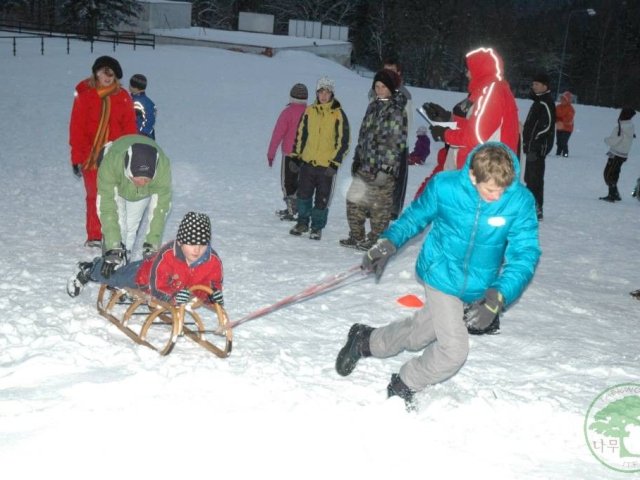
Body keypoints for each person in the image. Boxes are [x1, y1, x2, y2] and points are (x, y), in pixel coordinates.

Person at [335, 142, 541, 410]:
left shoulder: (519, 200)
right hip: (441, 272)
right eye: (490, 190)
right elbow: (415, 217)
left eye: (502, 189)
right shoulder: (446, 187)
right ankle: (405, 382)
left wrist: (498, 295)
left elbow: (525, 254)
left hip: (479, 284)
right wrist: (389, 242)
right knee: (454, 350)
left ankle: (365, 340)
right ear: (472, 176)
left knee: (418, 334)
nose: (497, 195)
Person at [67, 212, 224, 308]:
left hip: (173, 287)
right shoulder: (168, 256)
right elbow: (158, 287)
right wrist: (172, 296)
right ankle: (89, 269)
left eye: (202, 245)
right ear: (181, 242)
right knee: (115, 277)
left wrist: (211, 296)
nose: (197, 250)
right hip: (143, 276)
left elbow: (207, 285)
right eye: (191, 244)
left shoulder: (212, 262)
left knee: (119, 276)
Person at [70, 56, 137, 248]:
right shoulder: (85, 95)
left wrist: (129, 153)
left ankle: (114, 233)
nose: (107, 77)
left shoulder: (122, 96)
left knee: (114, 196)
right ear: (96, 73)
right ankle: (94, 235)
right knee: (94, 195)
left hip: (114, 155)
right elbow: (77, 128)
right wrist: (76, 157)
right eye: (103, 72)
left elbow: (129, 128)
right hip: (90, 156)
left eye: (111, 74)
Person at [340, 69, 407, 250]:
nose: (379, 90)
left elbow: (396, 143)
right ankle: (357, 236)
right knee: (354, 200)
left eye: (383, 87)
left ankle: (376, 239)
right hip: (365, 165)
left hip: (383, 169)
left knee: (379, 207)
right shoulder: (373, 107)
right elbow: (364, 135)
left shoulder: (396, 111)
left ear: (391, 88)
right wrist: (357, 158)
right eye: (376, 86)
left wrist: (386, 169)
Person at [424, 47, 519, 171]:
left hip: (487, 171)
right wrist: (448, 118)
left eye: (469, 69)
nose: (467, 74)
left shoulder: (493, 92)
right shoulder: (487, 91)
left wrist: (445, 134)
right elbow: (476, 125)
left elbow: (477, 137)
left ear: (480, 70)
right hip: (483, 168)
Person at [289, 76, 350, 240]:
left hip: (326, 167)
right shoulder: (309, 111)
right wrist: (296, 157)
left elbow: (343, 141)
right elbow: (301, 135)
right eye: (321, 91)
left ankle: (316, 227)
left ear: (332, 94)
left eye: (327, 92)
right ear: (317, 93)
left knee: (322, 198)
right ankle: (302, 222)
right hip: (308, 163)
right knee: (303, 195)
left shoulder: (338, 114)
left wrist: (335, 163)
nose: (324, 95)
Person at [97, 134, 172, 262]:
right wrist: (113, 247)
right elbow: (107, 207)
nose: (142, 183)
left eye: (146, 180)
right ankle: (111, 259)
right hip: (117, 184)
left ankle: (124, 262)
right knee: (118, 227)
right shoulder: (112, 163)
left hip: (141, 194)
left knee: (131, 226)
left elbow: (159, 209)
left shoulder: (162, 169)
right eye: (138, 179)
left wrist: (152, 245)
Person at [267, 83, 308, 221]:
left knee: (287, 182)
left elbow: (277, 134)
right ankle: (295, 208)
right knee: (299, 182)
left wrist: (271, 154)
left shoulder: (287, 112)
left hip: (290, 154)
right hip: (305, 155)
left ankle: (292, 210)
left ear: (291, 97)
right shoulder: (310, 112)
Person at [522, 72, 556, 220]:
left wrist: (534, 142)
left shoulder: (545, 102)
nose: (533, 86)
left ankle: (536, 209)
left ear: (545, 86)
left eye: (536, 84)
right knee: (529, 178)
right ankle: (531, 208)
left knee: (534, 179)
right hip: (531, 147)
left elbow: (547, 125)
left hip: (537, 149)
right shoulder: (538, 102)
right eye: (533, 83)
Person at [599, 107, 636, 202]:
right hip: (621, 154)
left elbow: (616, 140)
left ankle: (613, 194)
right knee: (613, 173)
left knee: (608, 174)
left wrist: (607, 140)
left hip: (617, 153)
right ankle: (614, 194)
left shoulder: (622, 126)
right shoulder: (629, 126)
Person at [129, 74, 157, 139]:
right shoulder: (130, 99)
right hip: (132, 134)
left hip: (142, 136)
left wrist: (142, 133)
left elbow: (149, 119)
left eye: (130, 85)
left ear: (135, 87)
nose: (129, 87)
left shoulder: (144, 103)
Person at [555, 91, 574, 157]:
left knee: (563, 142)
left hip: (567, 129)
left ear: (568, 100)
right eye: (561, 99)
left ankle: (565, 154)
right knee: (558, 142)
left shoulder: (570, 109)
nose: (562, 100)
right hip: (559, 127)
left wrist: (560, 120)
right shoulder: (558, 107)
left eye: (564, 99)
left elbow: (569, 119)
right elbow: (555, 115)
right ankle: (558, 153)